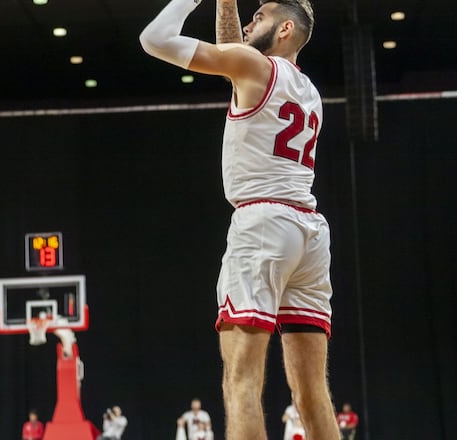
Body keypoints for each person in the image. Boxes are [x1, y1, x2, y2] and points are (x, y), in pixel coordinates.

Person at [140, 1, 339, 438]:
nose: (251, 21)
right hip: (309, 230)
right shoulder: (308, 91)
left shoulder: (256, 68)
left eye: (261, 15)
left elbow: (152, 39)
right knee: (312, 394)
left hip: (263, 223)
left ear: (285, 28)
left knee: (241, 382)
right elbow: (234, 55)